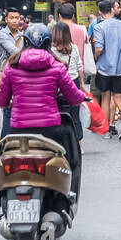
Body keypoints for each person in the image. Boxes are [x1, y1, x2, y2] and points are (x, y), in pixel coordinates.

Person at [0, 23, 90, 194]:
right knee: (71, 157)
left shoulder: (11, 67)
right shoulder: (57, 67)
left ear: (25, 42)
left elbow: (0, 101)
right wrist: (83, 97)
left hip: (18, 130)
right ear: (48, 43)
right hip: (50, 130)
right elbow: (74, 97)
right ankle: (69, 193)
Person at [92, 0, 121, 136]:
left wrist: (95, 58)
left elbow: (99, 49)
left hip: (104, 68)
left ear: (100, 12)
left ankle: (106, 127)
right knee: (118, 97)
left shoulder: (99, 27)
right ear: (111, 10)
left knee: (106, 96)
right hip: (120, 68)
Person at [50, 22, 86, 150]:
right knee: (74, 115)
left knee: (58, 113)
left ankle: (60, 144)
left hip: (57, 84)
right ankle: (79, 145)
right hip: (73, 82)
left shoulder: (51, 50)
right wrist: (81, 83)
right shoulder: (73, 47)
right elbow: (79, 66)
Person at [58, 3, 90, 94]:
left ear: (59, 16)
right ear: (73, 16)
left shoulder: (56, 30)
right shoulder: (82, 29)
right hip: (78, 69)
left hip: (60, 71)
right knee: (77, 98)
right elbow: (86, 42)